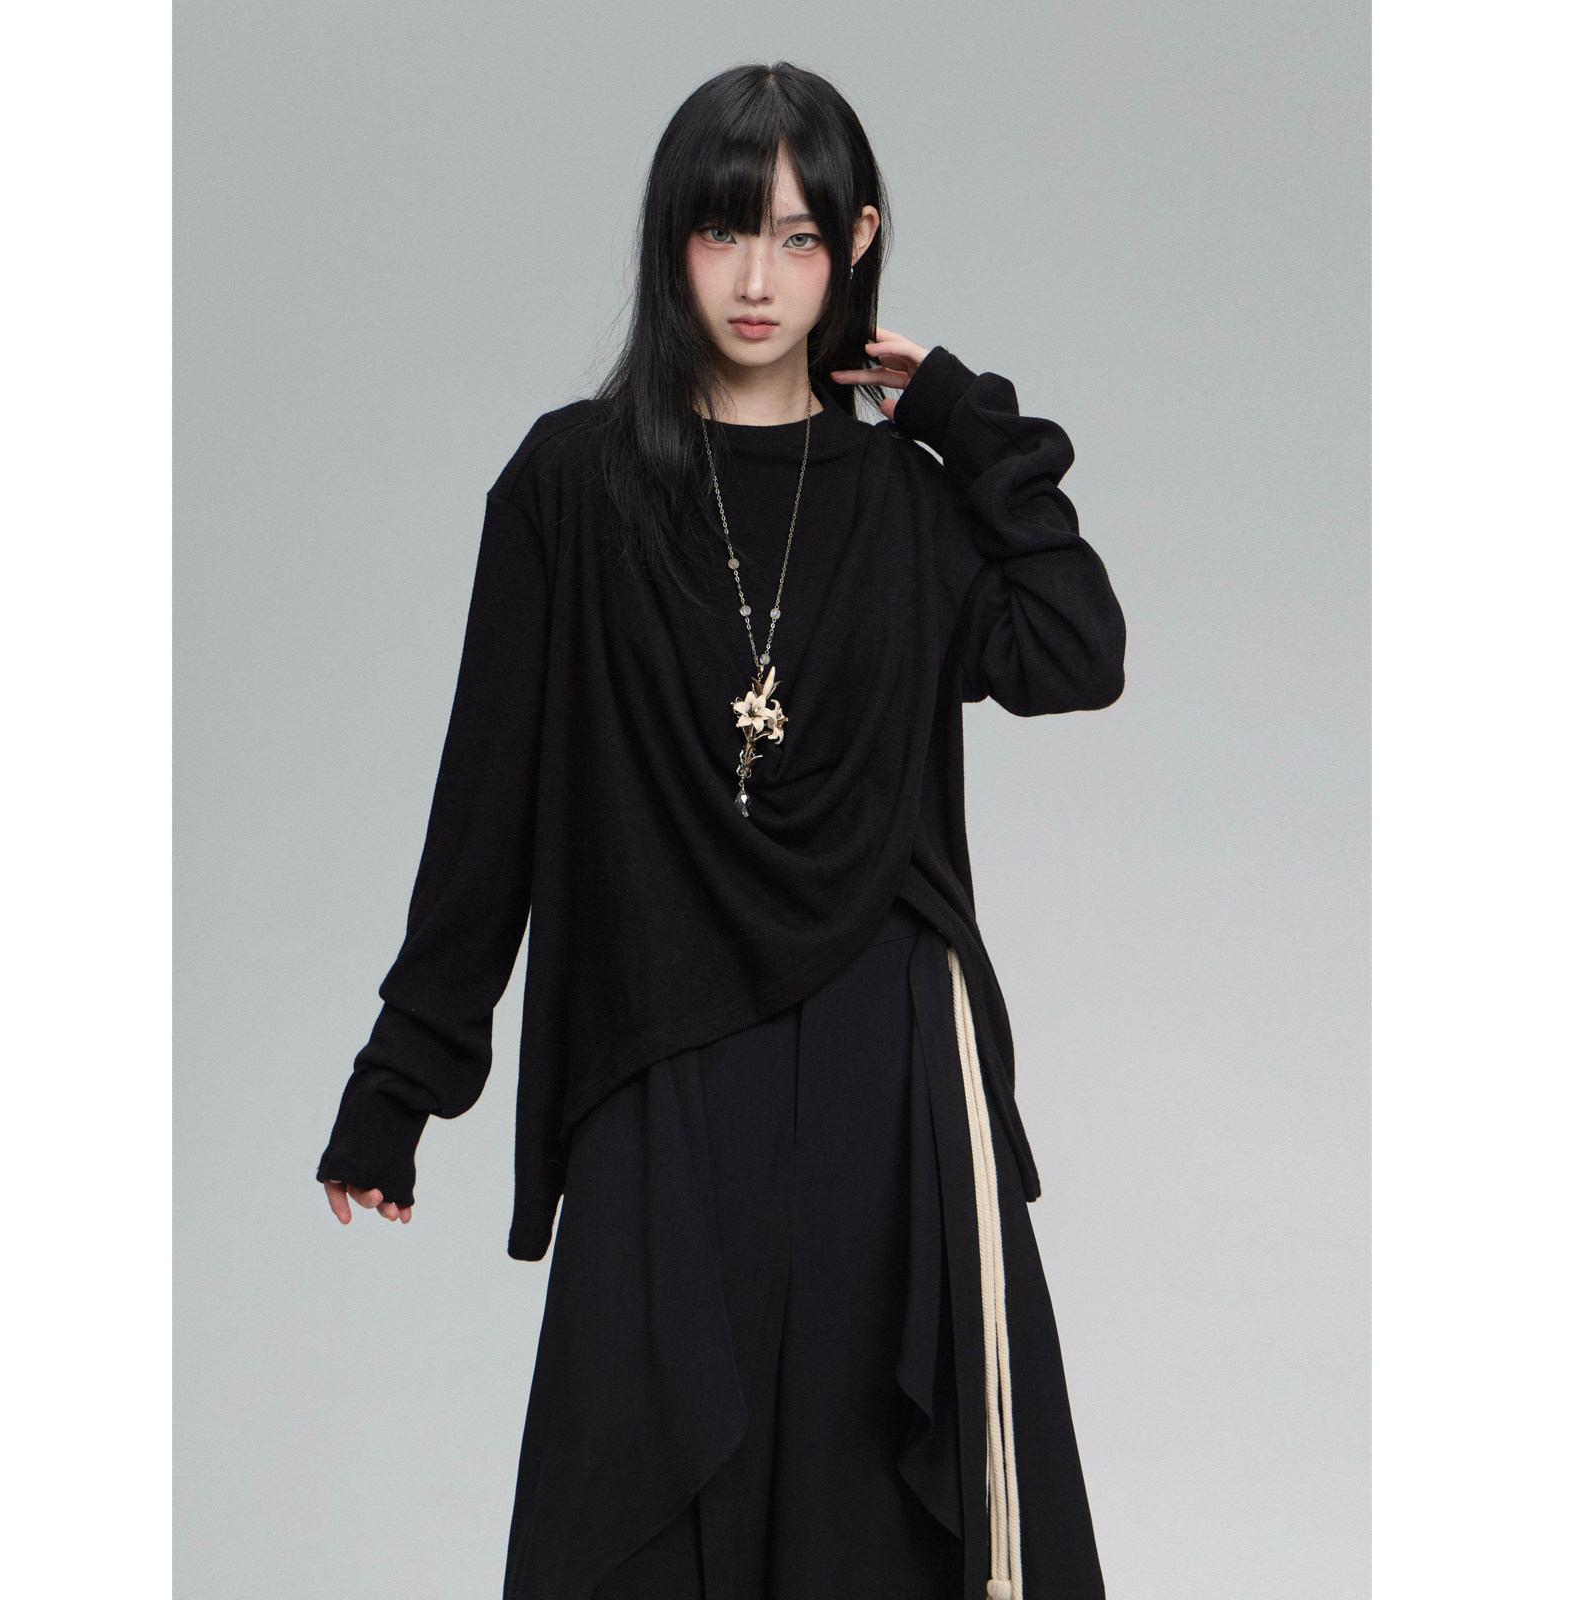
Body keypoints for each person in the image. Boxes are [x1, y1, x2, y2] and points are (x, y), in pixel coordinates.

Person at [317, 60, 1125, 1600]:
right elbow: (487, 801)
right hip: (661, 1051)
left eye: (801, 238)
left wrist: (962, 417)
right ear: (671, 241)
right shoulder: (570, 486)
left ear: (857, 243)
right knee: (637, 1503)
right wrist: (401, 1079)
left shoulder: (907, 497)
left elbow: (1077, 652)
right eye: (725, 232)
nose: (759, 280)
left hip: (889, 1066)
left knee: (872, 1527)